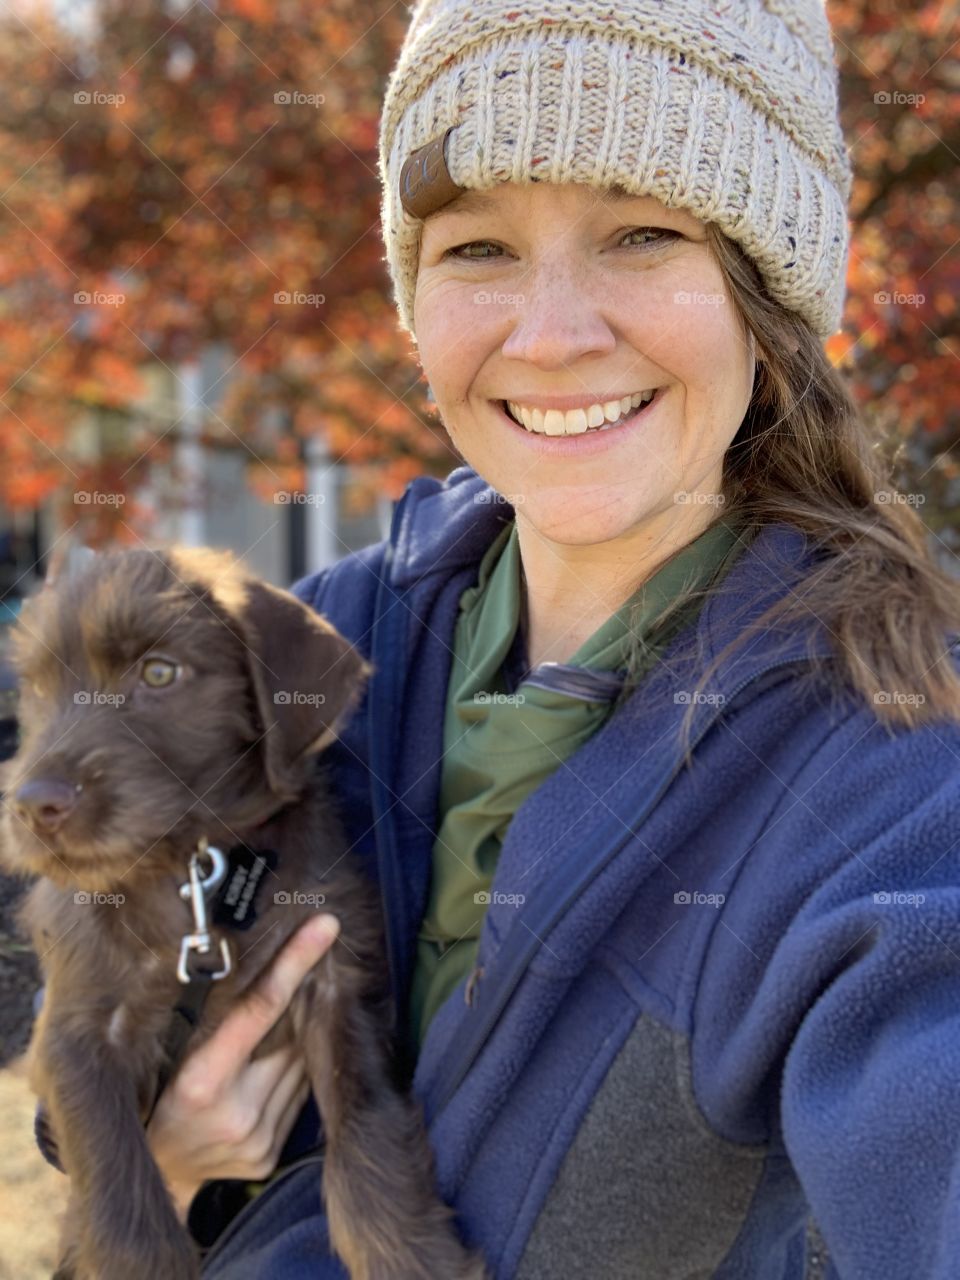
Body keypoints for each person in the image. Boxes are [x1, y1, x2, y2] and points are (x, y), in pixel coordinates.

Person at [140, 0, 960, 1276]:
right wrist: (157, 1157)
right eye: (479, 248)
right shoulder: (318, 651)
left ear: (767, 290)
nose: (553, 334)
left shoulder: (895, 768)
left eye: (640, 232)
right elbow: (126, 987)